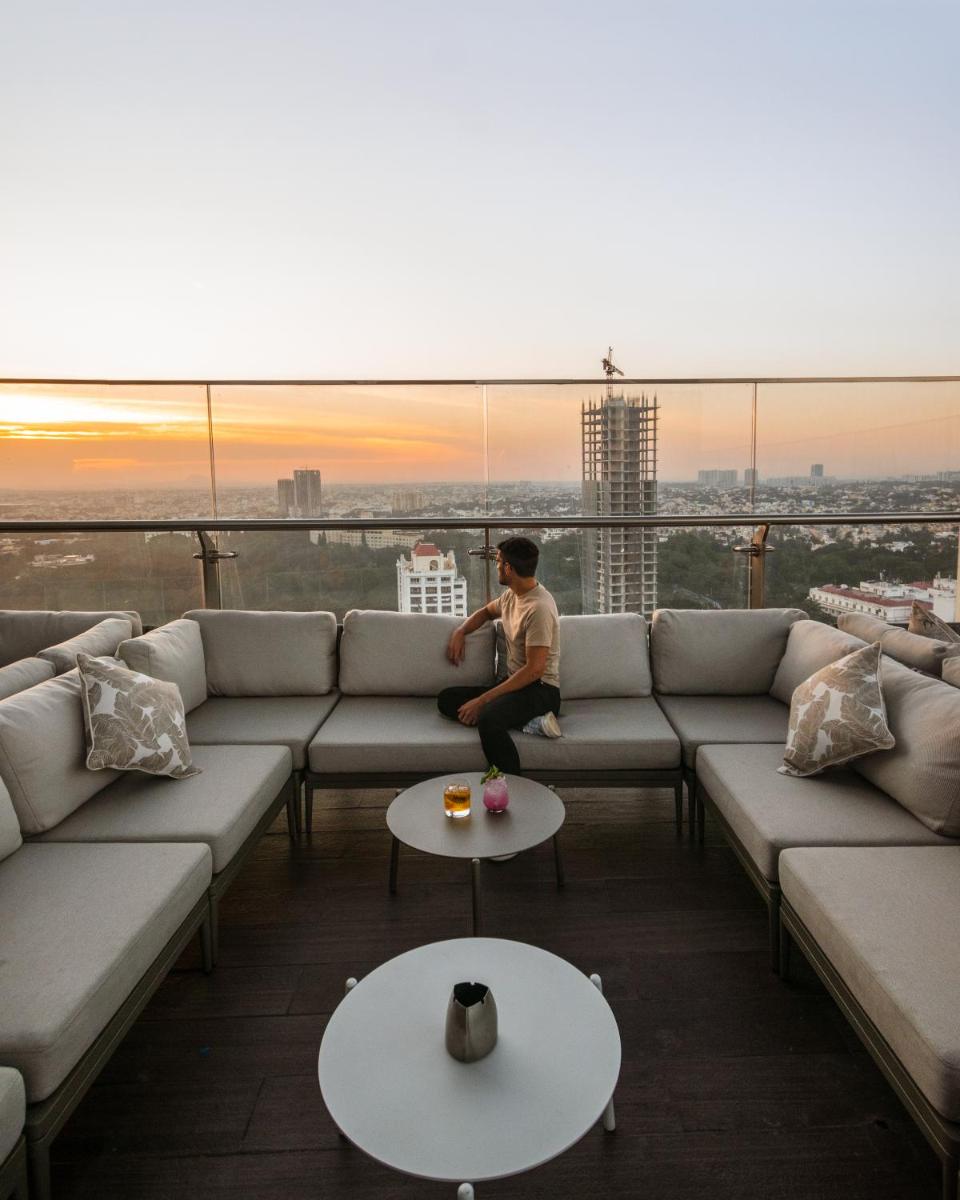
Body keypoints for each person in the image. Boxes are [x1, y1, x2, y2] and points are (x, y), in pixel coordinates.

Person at [437, 536, 561, 775]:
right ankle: (531, 723)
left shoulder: (539, 609)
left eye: (497, 563)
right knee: (447, 699)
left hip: (541, 690)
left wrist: (483, 701)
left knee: (488, 719)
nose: (496, 567)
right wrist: (461, 631)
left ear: (508, 569)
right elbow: (485, 613)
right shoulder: (512, 595)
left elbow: (535, 670)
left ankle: (509, 785)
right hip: (515, 685)